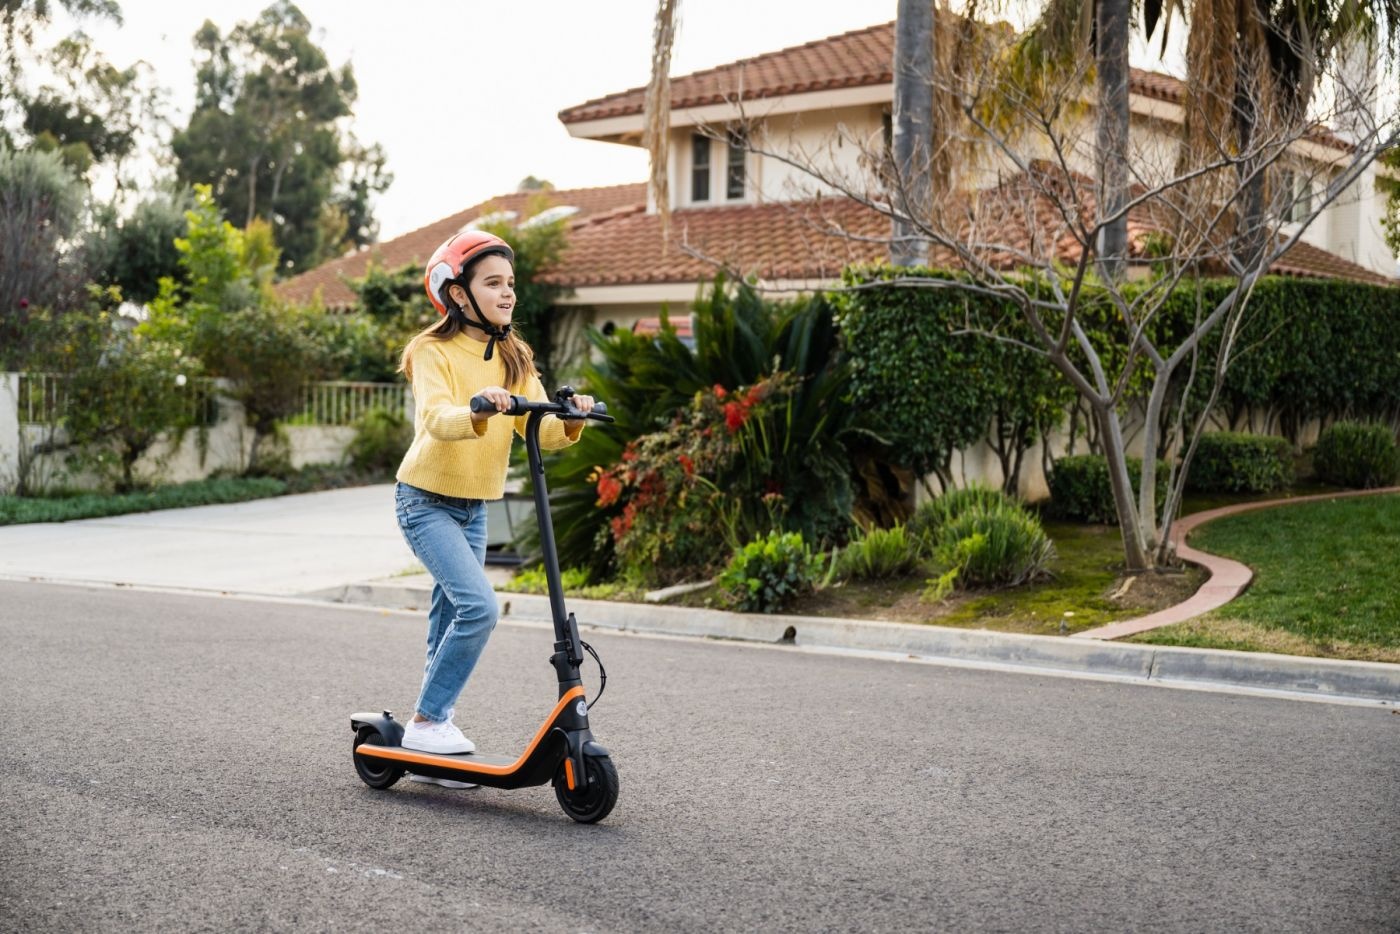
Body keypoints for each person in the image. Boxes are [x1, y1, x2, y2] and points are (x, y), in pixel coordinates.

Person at [393, 230, 592, 785]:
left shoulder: (514, 356)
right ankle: (428, 720)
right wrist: (479, 410)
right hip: (424, 500)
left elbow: (541, 430)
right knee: (479, 607)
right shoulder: (430, 351)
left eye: (511, 284)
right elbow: (436, 417)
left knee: (450, 615)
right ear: (459, 294)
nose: (508, 295)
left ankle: (431, 733)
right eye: (493, 283)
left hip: (475, 505)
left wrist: (570, 416)